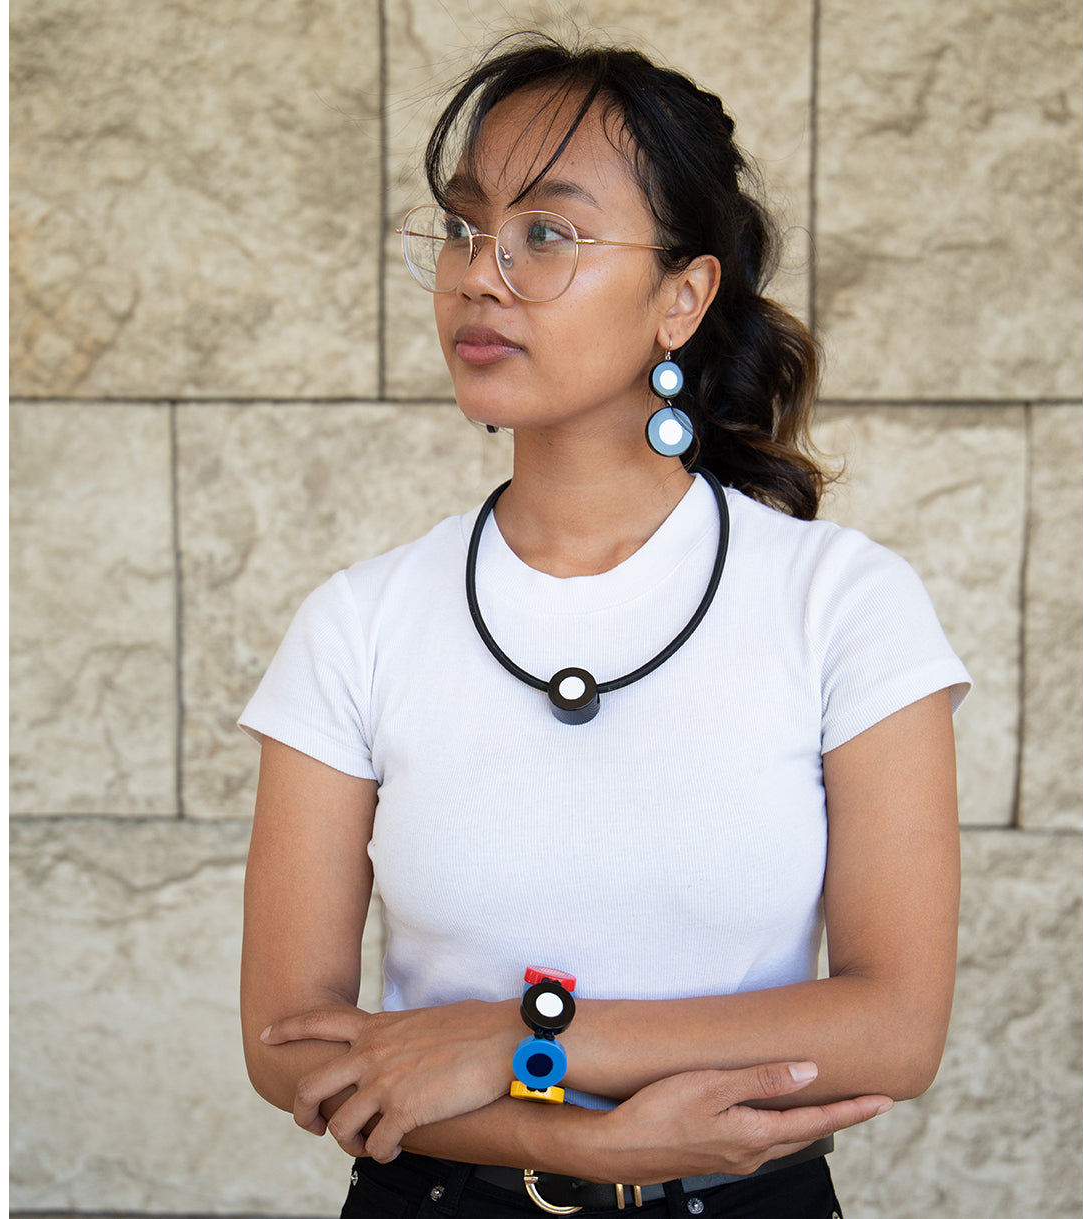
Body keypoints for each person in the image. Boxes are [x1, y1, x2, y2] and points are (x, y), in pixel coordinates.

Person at [238, 32, 971, 1219]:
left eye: (548, 233)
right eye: (466, 228)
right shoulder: (358, 623)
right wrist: (584, 1142)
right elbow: (291, 1045)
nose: (480, 273)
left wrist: (527, 1039)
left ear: (681, 297)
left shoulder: (842, 603)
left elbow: (891, 1027)